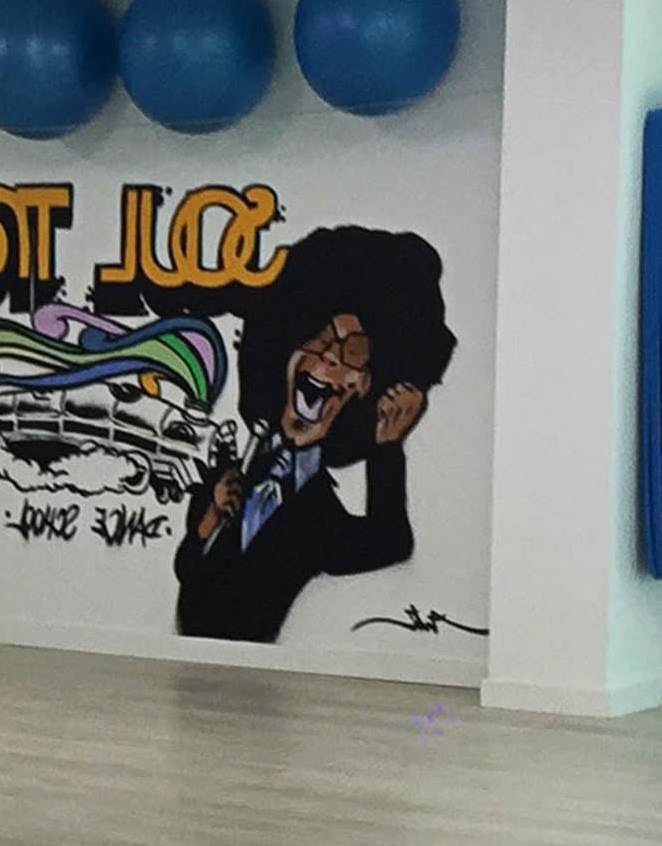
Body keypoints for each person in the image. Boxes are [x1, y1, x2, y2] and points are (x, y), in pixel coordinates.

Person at [173, 225, 456, 643]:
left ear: (368, 386)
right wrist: (210, 519)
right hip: (187, 662)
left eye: (352, 351)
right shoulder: (234, 473)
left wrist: (387, 448)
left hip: (251, 670)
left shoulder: (316, 513)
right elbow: (187, 566)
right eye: (319, 337)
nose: (328, 355)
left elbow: (389, 542)